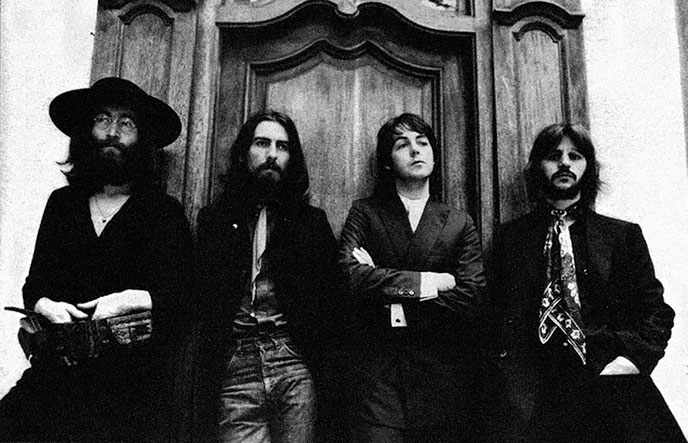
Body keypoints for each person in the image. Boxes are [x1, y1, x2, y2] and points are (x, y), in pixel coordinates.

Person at [0, 77, 193, 442]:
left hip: (129, 391)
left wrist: (129, 300)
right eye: (103, 119)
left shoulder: (162, 212)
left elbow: (181, 299)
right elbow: (34, 286)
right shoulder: (63, 205)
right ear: (87, 132)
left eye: (127, 123)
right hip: (57, 376)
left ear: (142, 138)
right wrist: (45, 305)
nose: (113, 132)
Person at [489, 123, 686, 442]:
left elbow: (656, 313)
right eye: (554, 156)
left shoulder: (621, 236)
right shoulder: (511, 239)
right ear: (538, 167)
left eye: (575, 156)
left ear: (588, 168)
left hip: (611, 386)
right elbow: (495, 318)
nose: (564, 163)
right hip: (538, 395)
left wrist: (628, 361)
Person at [194, 110, 343, 443]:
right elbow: (204, 297)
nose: (272, 154)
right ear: (244, 153)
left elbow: (333, 301)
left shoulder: (311, 222)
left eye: (282, 146)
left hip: (294, 363)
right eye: (262, 143)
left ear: (292, 159)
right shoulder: (216, 219)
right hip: (237, 364)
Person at [338, 113, 486, 442]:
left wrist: (382, 286)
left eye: (422, 143)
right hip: (377, 383)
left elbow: (472, 297)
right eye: (402, 145)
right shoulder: (366, 213)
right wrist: (432, 283)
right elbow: (350, 276)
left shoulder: (458, 222)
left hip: (440, 380)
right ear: (387, 161)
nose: (415, 150)